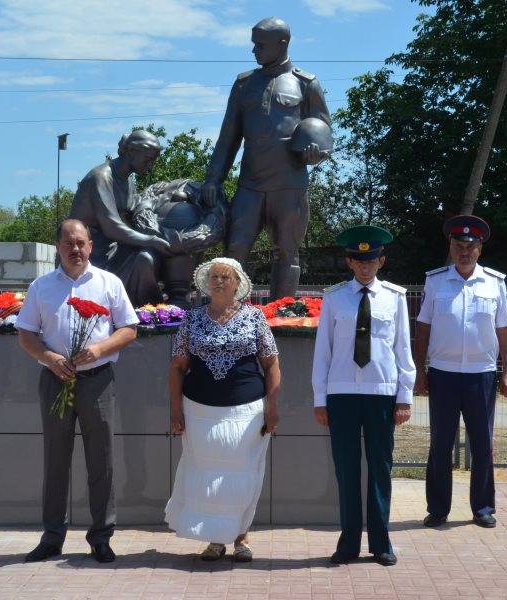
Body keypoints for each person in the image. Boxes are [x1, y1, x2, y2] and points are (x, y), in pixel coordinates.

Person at [15, 219, 139, 563]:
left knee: (101, 461)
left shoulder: (108, 283)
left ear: (91, 246)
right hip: (54, 380)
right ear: (58, 246)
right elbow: (26, 333)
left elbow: (129, 328)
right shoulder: (41, 287)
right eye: (69, 243)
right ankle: (52, 537)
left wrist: (99, 349)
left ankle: (101, 536)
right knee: (55, 461)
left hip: (97, 380)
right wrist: (49, 357)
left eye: (82, 243)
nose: (76, 249)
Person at [202, 16, 331, 300]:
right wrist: (213, 179)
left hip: (289, 186)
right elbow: (228, 138)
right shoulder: (244, 85)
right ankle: (227, 313)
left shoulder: (306, 84)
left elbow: (323, 132)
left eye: (260, 45)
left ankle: (279, 317)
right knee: (234, 250)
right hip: (250, 185)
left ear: (282, 44)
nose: (254, 51)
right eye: (254, 44)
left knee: (287, 252)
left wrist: (315, 154)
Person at [311, 225, 415, 567]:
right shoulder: (334, 297)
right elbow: (322, 353)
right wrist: (320, 398)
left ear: (381, 261)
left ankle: (381, 543)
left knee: (380, 470)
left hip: (381, 393)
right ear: (349, 262)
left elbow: (402, 349)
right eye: (358, 259)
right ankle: (348, 543)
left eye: (371, 259)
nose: (365, 266)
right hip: (341, 393)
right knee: (346, 470)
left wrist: (405, 396)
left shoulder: (395, 297)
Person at [165, 257, 280, 562]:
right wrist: (175, 409)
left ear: (238, 283)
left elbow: (271, 363)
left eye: (225, 277)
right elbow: (177, 366)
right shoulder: (191, 319)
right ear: (206, 282)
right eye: (214, 276)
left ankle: (241, 537)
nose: (218, 281)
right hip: (199, 411)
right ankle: (215, 539)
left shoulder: (255, 317)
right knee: (205, 475)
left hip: (247, 412)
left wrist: (273, 407)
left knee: (243, 475)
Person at [415, 215, 507, 529]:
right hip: (443, 374)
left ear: (479, 249)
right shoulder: (436, 281)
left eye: (471, 247)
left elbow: (506, 331)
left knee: (482, 444)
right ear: (451, 246)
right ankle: (438, 508)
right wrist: (420, 371)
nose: (465, 252)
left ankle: (483, 508)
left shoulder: (494, 283)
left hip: (481, 374)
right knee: (440, 444)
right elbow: (422, 328)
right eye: (459, 246)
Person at [69, 130, 173, 306]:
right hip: (90, 257)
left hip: (114, 251)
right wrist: (152, 240)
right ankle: (143, 310)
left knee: (146, 257)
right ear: (132, 152)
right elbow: (112, 226)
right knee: (147, 254)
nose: (150, 166)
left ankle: (148, 312)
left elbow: (133, 218)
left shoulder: (128, 181)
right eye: (148, 160)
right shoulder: (100, 177)